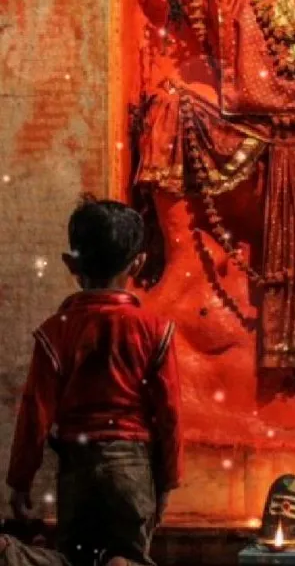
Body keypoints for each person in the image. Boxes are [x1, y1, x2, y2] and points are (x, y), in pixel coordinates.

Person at [0, 195, 182, 566]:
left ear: (70, 264)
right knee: (129, 556)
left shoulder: (57, 332)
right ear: (139, 263)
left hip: (77, 463)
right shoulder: (155, 330)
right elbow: (169, 412)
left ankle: (14, 556)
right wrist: (166, 480)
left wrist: (20, 480)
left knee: (75, 558)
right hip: (133, 463)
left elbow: (35, 411)